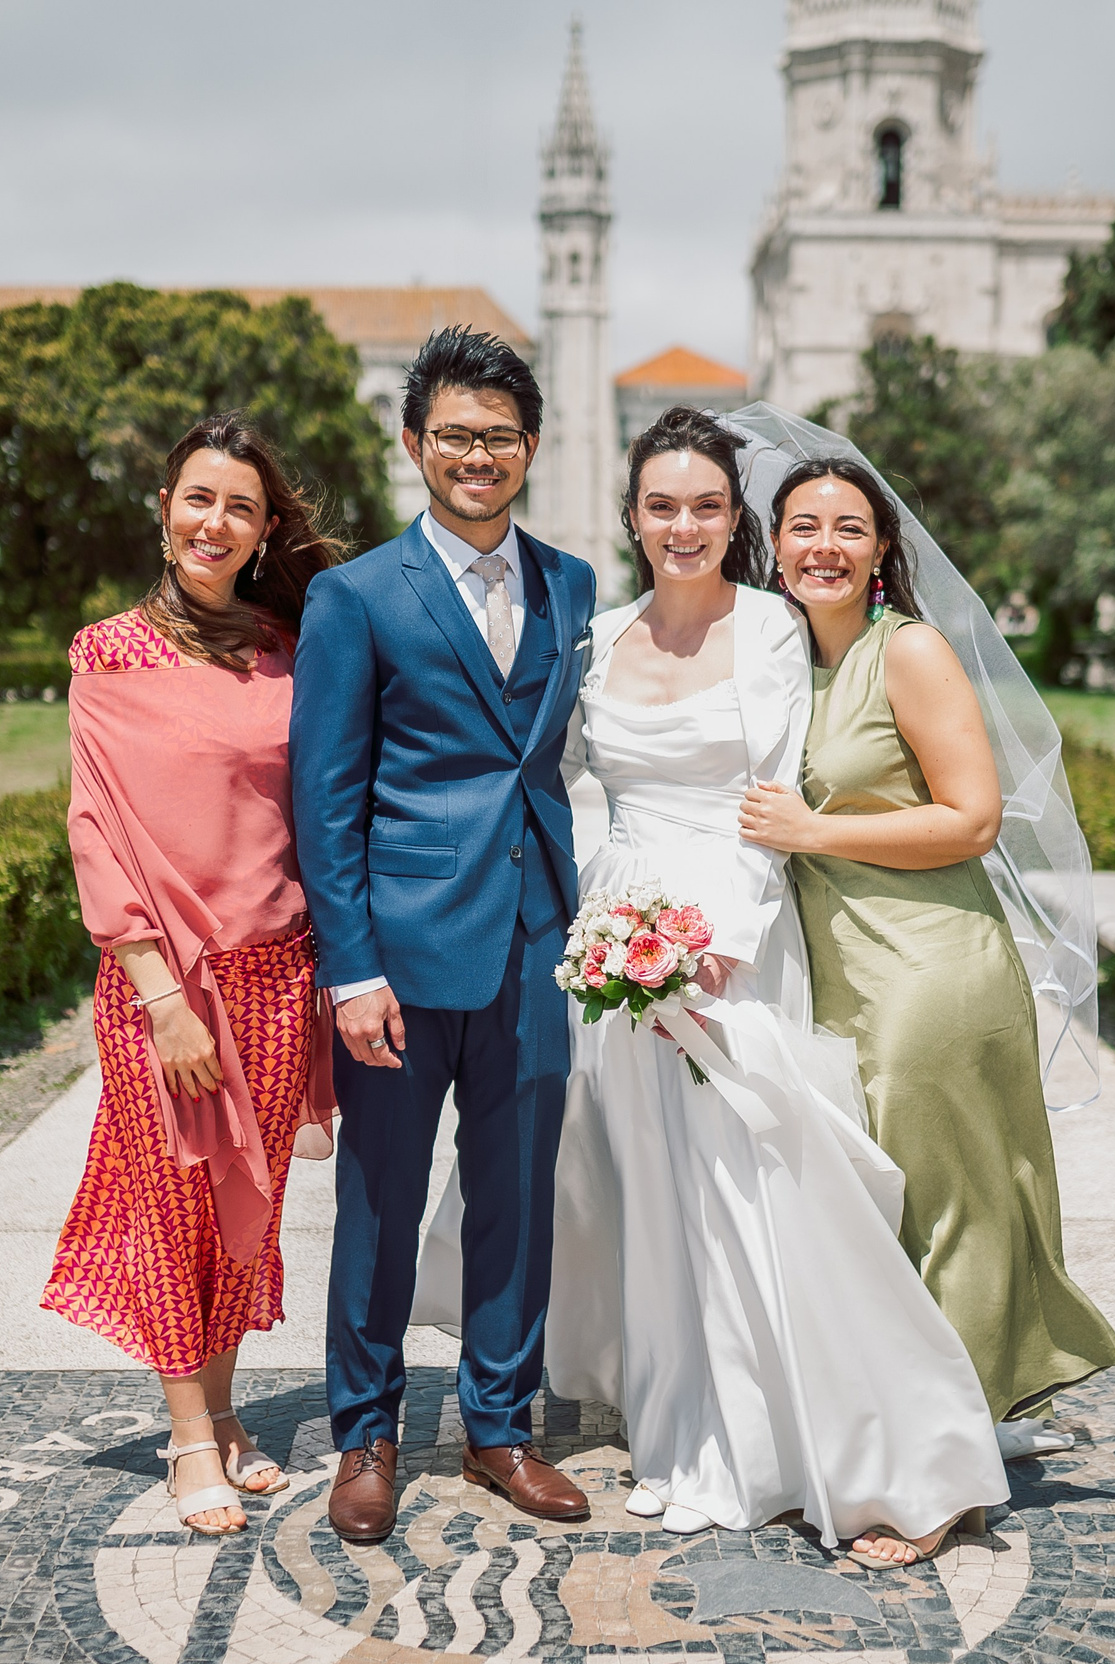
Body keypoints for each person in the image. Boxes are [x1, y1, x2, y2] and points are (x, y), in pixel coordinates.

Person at [420, 408, 1007, 1569]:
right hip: (614, 936)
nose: (682, 525)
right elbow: (578, 786)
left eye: (704, 505)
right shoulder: (600, 631)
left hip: (729, 934)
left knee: (757, 1179)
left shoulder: (775, 630)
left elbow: (777, 790)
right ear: (632, 515)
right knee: (649, 1181)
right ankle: (680, 1425)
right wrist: (595, 920)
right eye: (660, 505)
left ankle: (869, 1443)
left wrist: (715, 942)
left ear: (733, 518)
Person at [740, 454, 1115, 1442]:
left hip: (930, 964)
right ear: (773, 543)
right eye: (803, 526)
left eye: (848, 528)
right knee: (882, 1209)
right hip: (838, 966)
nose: (824, 545)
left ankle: (946, 1460)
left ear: (880, 553)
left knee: (951, 1204)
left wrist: (813, 831)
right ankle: (929, 1413)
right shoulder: (780, 660)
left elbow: (973, 818)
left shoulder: (904, 650)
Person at [292, 327, 600, 1545]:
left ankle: (499, 1425)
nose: (479, 455)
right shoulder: (354, 595)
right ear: (415, 442)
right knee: (379, 1198)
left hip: (533, 939)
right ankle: (365, 1434)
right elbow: (326, 797)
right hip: (402, 956)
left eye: (501, 436)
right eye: (456, 435)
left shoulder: (571, 585)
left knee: (516, 1199)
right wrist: (351, 967)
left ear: (530, 447)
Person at [42, 413, 342, 1538]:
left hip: (275, 969)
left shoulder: (285, 644)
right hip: (162, 980)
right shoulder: (107, 652)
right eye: (198, 498)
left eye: (241, 506)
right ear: (164, 511)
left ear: (266, 530)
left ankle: (221, 1415)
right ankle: (185, 1437)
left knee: (243, 1215)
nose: (215, 521)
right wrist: (160, 991)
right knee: (168, 1208)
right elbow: (95, 827)